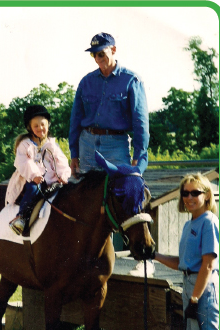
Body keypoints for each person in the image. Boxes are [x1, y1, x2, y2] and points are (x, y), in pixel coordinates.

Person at [68, 32, 154, 275]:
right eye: (95, 55)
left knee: (129, 196)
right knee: (85, 199)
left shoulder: (131, 80)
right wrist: (74, 151)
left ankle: (140, 257)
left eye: (102, 53)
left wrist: (140, 156)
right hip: (87, 144)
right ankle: (83, 259)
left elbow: (140, 122)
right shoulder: (86, 81)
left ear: (113, 50)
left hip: (116, 145)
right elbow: (75, 118)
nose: (98, 59)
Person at [154, 173, 219, 330]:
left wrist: (193, 299)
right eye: (185, 193)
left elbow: (208, 264)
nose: (189, 197)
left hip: (203, 290)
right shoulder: (189, 224)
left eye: (195, 193)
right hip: (190, 286)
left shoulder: (209, 221)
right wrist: (154, 255)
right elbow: (182, 262)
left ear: (207, 195)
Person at [6, 105, 71, 235]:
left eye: (43, 124)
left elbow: (61, 161)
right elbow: (24, 163)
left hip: (52, 180)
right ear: (30, 128)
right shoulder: (25, 145)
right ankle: (22, 218)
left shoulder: (52, 145)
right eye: (36, 126)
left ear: (48, 124)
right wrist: (35, 175)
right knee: (33, 189)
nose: (40, 128)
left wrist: (63, 175)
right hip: (33, 179)